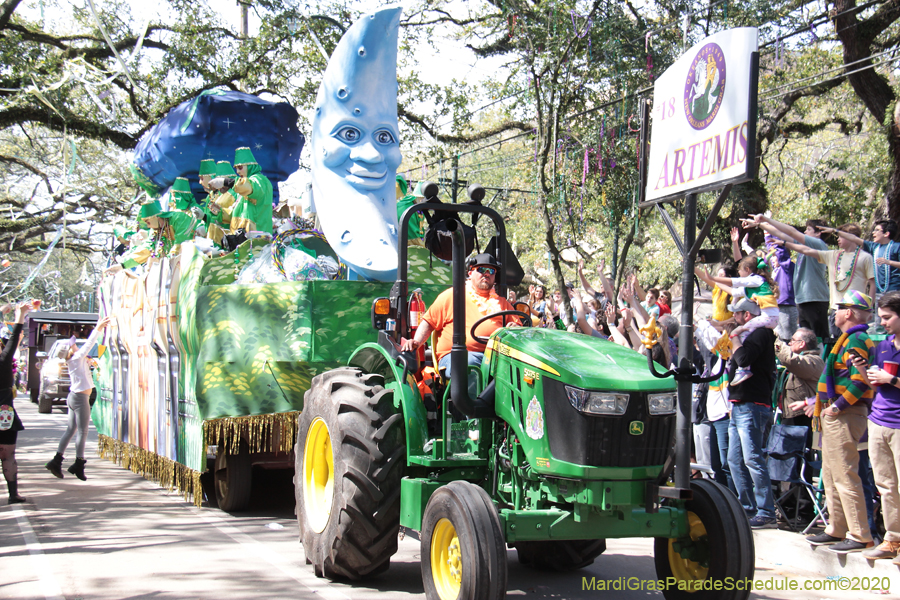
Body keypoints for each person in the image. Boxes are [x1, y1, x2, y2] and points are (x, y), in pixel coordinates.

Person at [805, 291, 875, 553]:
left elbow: (861, 380)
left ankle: (859, 533)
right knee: (832, 474)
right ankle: (837, 528)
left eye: (840, 309)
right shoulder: (847, 339)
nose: (834, 314)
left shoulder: (856, 339)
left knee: (845, 474)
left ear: (849, 312)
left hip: (846, 414)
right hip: (836, 415)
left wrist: (836, 406)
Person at [399, 254, 517, 386]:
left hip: (495, 357)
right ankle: (470, 406)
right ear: (470, 272)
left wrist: (516, 329)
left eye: (491, 271)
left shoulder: (503, 303)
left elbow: (519, 329)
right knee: (469, 364)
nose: (487, 274)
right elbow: (428, 322)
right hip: (456, 357)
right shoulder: (452, 295)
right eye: (482, 270)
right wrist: (416, 342)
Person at [848, 291, 900, 561]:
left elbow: (888, 381)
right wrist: (866, 371)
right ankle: (892, 539)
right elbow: (875, 384)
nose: (883, 323)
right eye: (881, 318)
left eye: (888, 318)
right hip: (879, 421)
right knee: (886, 485)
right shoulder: (882, 346)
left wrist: (889, 379)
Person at [726, 297, 778, 528]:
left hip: (753, 404)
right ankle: (746, 508)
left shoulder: (760, 334)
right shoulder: (749, 335)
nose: (733, 319)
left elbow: (744, 358)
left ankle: (766, 511)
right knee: (734, 459)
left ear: (747, 316)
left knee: (752, 457)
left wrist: (734, 338)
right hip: (739, 403)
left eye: (737, 314)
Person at [695, 255, 779, 386]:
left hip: (768, 318)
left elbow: (736, 282)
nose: (739, 274)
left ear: (747, 269)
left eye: (739, 270)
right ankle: (743, 369)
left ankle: (743, 369)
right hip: (768, 318)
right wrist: (714, 280)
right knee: (744, 334)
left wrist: (712, 278)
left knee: (738, 331)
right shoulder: (752, 286)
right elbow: (734, 291)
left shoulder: (757, 280)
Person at [45, 316, 111, 481]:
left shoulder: (76, 360)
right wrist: (98, 328)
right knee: (82, 431)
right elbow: (89, 344)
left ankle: (57, 460)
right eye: (74, 344)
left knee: (71, 430)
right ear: (70, 349)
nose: (76, 345)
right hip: (80, 398)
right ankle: (78, 463)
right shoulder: (76, 358)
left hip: (74, 396)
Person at [783, 223, 875, 338]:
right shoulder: (834, 254)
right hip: (835, 309)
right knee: (835, 341)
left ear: (850, 237)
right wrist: (784, 243)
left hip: (855, 310)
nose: (838, 239)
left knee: (853, 340)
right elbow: (806, 250)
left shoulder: (865, 257)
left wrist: (869, 306)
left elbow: (873, 283)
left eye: (840, 236)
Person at [749, 215, 831, 340]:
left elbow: (792, 232)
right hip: (803, 300)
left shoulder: (818, 244)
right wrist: (760, 225)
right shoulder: (805, 247)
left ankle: (825, 360)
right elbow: (783, 235)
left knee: (820, 339)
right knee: (806, 340)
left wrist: (766, 220)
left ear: (819, 233)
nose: (805, 232)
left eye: (808, 229)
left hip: (815, 299)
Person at [1, 301, 34, 504]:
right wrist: (20, 314)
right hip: (4, 414)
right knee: (8, 456)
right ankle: (13, 494)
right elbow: (14, 337)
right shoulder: (4, 362)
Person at [779, 328, 825, 429]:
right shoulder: (804, 360)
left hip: (803, 415)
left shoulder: (813, 361)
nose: (790, 343)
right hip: (793, 414)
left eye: (793, 340)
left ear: (802, 343)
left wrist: (777, 343)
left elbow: (791, 360)